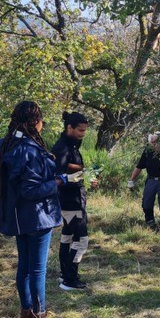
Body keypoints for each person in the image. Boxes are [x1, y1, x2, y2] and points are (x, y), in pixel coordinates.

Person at [0, 101, 71, 318]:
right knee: (37, 269)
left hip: (16, 217)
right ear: (35, 122)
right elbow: (31, 190)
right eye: (41, 120)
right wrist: (59, 180)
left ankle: (27, 316)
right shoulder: (29, 149)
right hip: (37, 217)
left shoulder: (4, 145)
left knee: (25, 267)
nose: (42, 124)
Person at [51, 111, 98, 291]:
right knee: (82, 240)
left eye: (85, 131)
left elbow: (73, 169)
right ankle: (70, 280)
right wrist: (81, 171)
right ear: (69, 128)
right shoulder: (62, 147)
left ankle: (65, 275)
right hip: (70, 200)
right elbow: (59, 171)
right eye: (80, 130)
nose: (83, 134)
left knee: (68, 236)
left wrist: (87, 174)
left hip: (74, 197)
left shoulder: (72, 145)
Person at [127, 132, 160, 231]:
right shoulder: (148, 152)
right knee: (146, 204)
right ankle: (150, 222)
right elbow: (139, 167)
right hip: (151, 180)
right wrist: (131, 180)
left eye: (155, 142)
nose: (153, 144)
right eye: (152, 142)